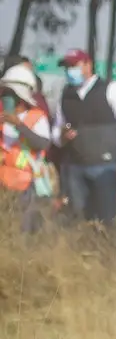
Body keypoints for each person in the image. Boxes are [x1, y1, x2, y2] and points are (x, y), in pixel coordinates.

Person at [52, 48, 116, 227]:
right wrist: (62, 137)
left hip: (106, 165)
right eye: (67, 67)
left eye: (74, 66)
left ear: (88, 65)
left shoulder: (110, 89)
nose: (70, 71)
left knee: (107, 218)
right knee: (78, 219)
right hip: (76, 167)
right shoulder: (66, 94)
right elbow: (56, 130)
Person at [0, 64, 54, 232]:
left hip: (27, 184)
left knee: (24, 229)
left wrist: (19, 125)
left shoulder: (37, 117)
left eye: (9, 93)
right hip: (4, 181)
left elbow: (43, 144)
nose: (5, 96)